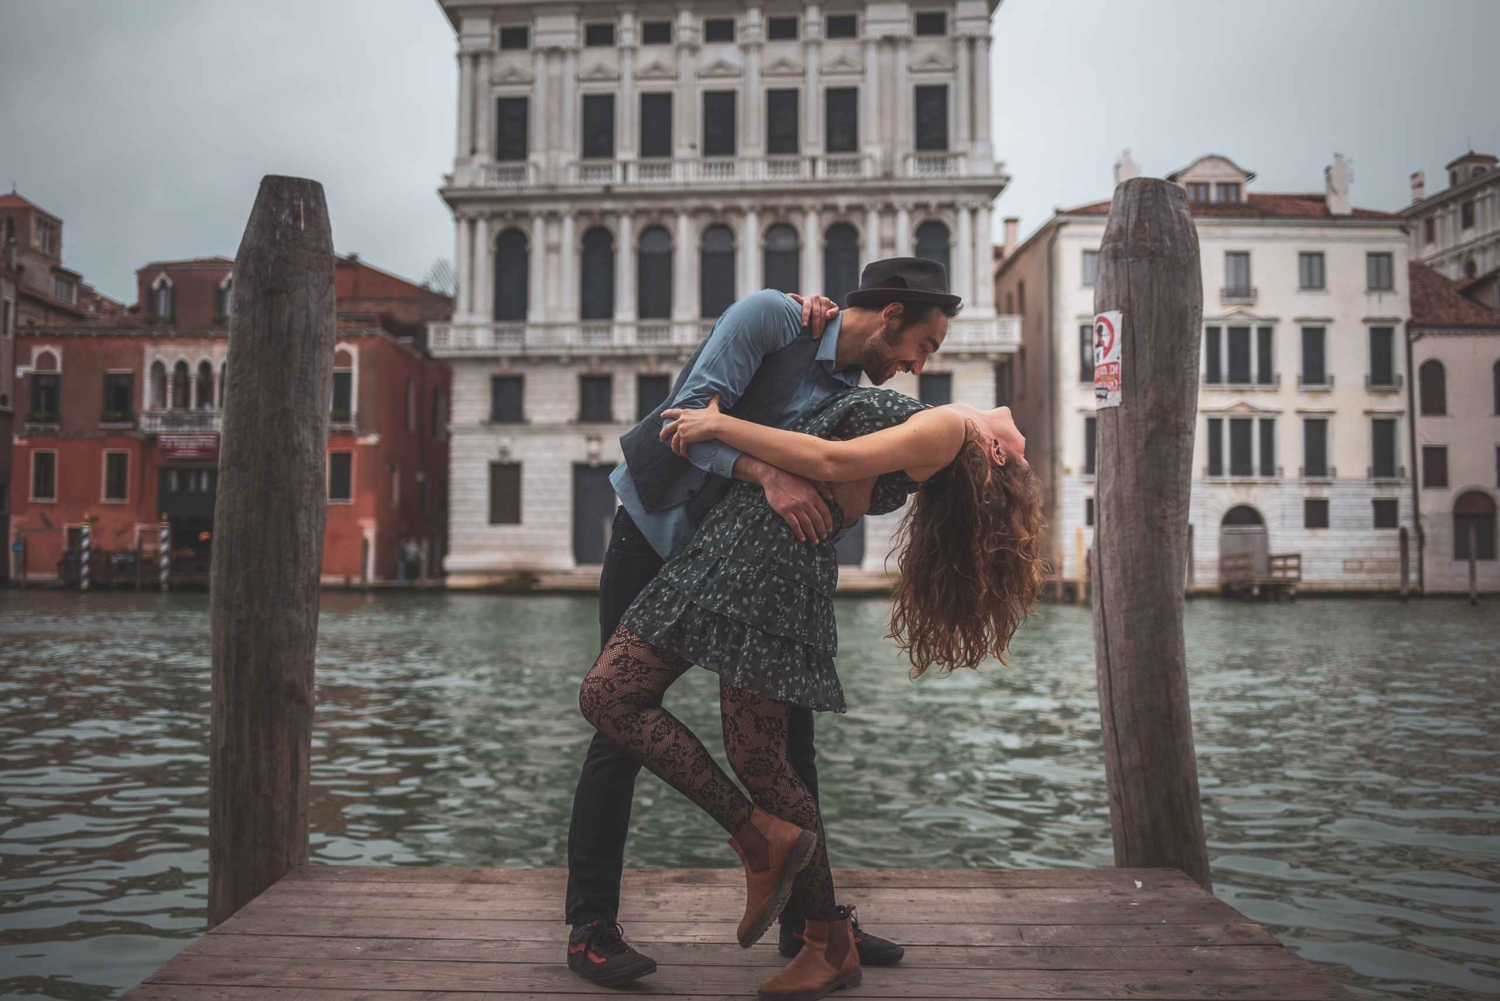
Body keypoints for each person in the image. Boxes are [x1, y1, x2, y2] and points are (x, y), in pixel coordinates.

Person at [575, 262, 1048, 1001]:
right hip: (659, 531)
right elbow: (686, 421)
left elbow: (842, 482)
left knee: (789, 746)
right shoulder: (773, 317)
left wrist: (789, 480)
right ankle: (592, 925)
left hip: (744, 562)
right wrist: (766, 473)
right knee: (619, 732)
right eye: (921, 345)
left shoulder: (861, 394)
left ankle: (816, 925)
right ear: (889, 314)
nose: (917, 366)